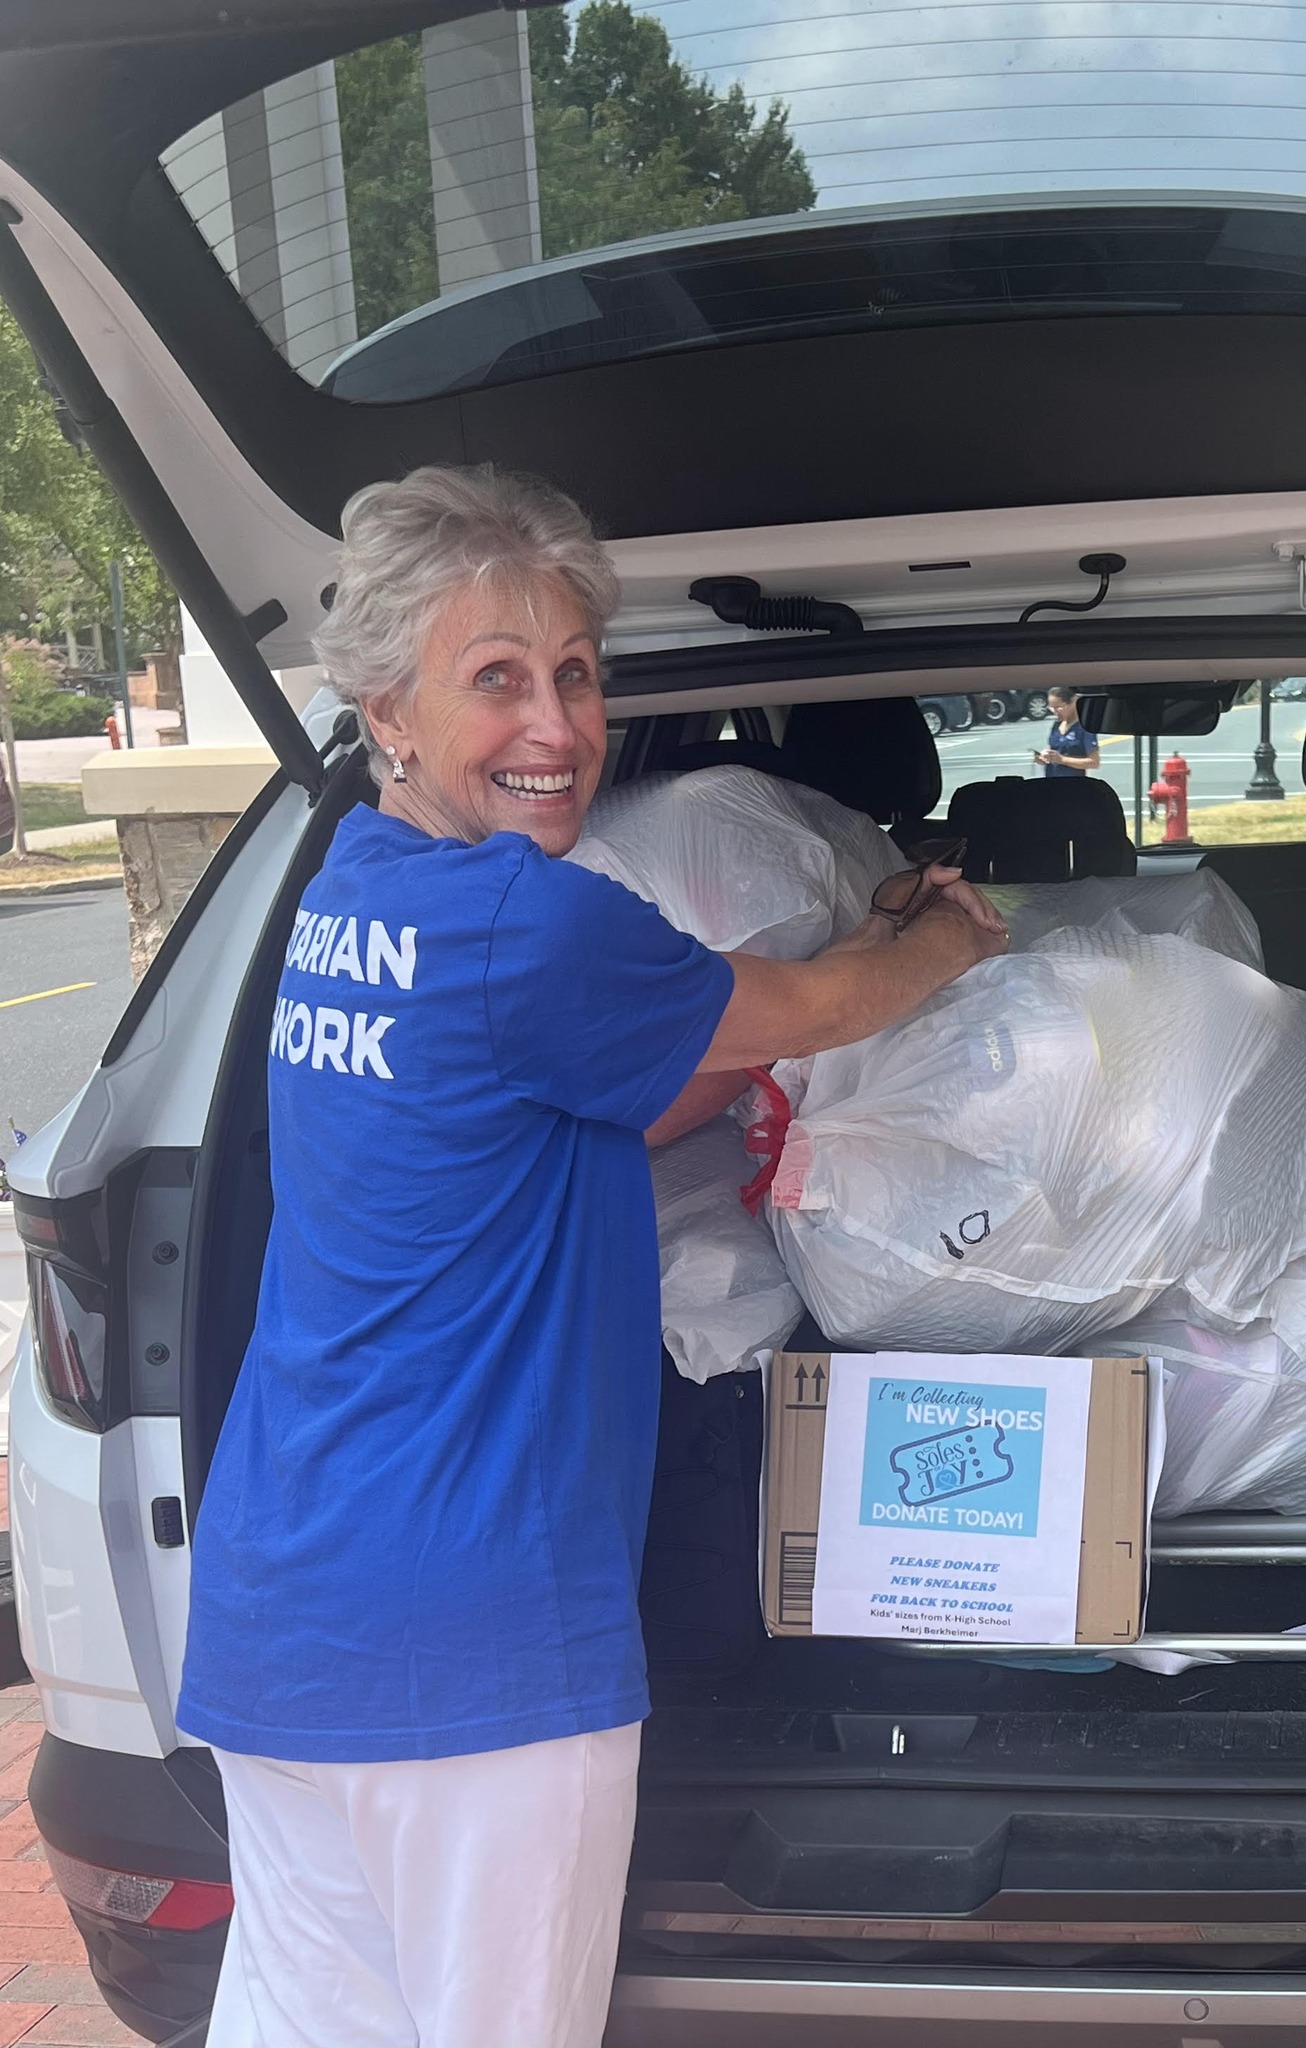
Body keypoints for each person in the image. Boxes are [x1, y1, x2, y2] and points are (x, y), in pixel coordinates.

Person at [175, 465, 1007, 2048]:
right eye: (496, 679)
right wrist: (945, 938)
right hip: (475, 1649)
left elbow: (560, 1107)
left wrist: (816, 992)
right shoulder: (528, 926)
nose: (557, 726)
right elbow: (822, 1010)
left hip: (285, 1624)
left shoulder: (350, 899)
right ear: (386, 710)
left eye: (576, 673)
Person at [1032, 684, 1101, 776]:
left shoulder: (1083, 728)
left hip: (1073, 781)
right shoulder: (1056, 725)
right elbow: (1054, 750)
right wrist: (1045, 758)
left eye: (1059, 707)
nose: (1055, 711)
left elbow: (1094, 762)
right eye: (1052, 707)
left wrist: (1062, 760)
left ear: (1072, 702)